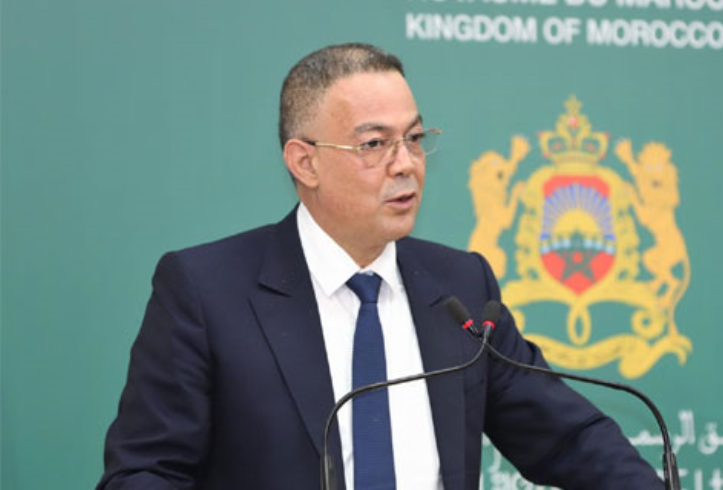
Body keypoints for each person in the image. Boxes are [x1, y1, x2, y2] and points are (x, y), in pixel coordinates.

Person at [97, 43, 663, 490]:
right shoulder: (207, 291)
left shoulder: (460, 286)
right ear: (305, 162)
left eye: (414, 139)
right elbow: (145, 472)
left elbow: (568, 439)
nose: (406, 164)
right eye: (374, 144)